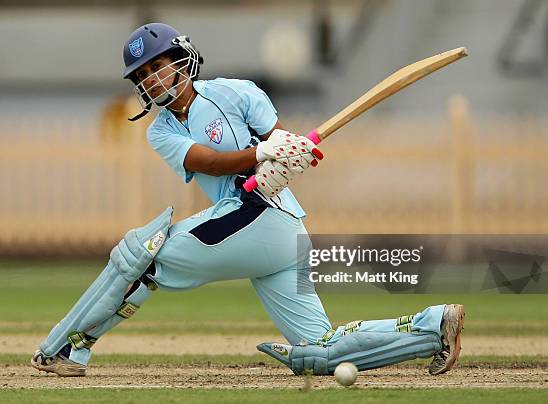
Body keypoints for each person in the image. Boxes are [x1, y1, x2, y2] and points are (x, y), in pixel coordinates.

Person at [30, 23, 464, 378]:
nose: (150, 79)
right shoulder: (160, 130)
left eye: (156, 66)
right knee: (321, 353)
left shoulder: (237, 92)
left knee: (142, 256)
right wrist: (261, 154)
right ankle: (432, 327)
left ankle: (67, 349)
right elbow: (213, 164)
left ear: (181, 59)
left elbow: (279, 144)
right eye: (141, 75)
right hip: (262, 230)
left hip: (265, 216)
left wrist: (289, 155)